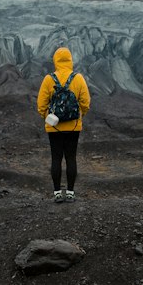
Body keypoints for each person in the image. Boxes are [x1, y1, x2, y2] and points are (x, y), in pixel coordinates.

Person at [36, 46, 91, 201]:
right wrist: (79, 116)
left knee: (56, 158)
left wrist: (48, 118)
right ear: (70, 61)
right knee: (71, 158)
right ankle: (71, 193)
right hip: (74, 126)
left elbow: (41, 104)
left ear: (55, 61)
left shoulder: (48, 79)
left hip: (54, 127)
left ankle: (57, 194)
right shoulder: (78, 78)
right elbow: (85, 102)